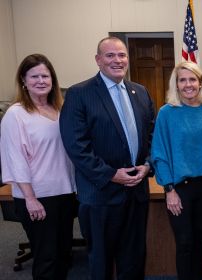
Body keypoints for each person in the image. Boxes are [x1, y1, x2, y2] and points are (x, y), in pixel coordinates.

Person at [59, 37, 155, 280]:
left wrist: (148, 165)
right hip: (101, 195)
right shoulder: (79, 94)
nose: (117, 60)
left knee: (133, 259)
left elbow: (152, 136)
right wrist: (111, 174)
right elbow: (76, 146)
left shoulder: (140, 92)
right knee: (101, 263)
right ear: (98, 60)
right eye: (110, 55)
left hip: (136, 193)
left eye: (122, 55)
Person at [0, 54, 77, 279]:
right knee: (46, 257)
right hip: (37, 197)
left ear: (52, 79)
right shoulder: (16, 115)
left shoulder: (61, 110)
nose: (41, 80)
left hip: (64, 193)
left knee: (64, 253)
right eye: (34, 76)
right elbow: (16, 159)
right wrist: (30, 198)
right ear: (24, 80)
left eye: (45, 75)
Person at [150, 61, 202, 280]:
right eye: (183, 80)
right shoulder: (167, 113)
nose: (188, 84)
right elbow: (159, 153)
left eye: (192, 79)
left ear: (200, 83)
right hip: (180, 189)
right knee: (185, 243)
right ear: (176, 84)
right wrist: (169, 189)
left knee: (200, 242)